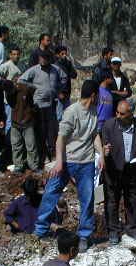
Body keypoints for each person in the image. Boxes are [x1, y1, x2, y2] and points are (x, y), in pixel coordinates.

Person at [34, 80, 104, 253]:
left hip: (86, 163)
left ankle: (84, 236)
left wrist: (101, 154)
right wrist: (58, 162)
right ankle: (41, 230)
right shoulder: (71, 112)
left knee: (87, 200)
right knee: (51, 194)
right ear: (93, 95)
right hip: (66, 161)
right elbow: (61, 138)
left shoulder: (94, 112)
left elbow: (94, 134)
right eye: (98, 96)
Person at [101, 100, 136, 244]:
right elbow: (104, 145)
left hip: (132, 169)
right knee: (112, 200)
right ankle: (114, 232)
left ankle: (132, 229)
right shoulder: (109, 125)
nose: (118, 115)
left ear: (131, 113)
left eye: (122, 113)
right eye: (117, 112)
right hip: (113, 169)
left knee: (132, 199)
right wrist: (105, 151)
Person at [19, 50, 67, 164]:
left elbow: (64, 77)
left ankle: (52, 156)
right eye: (41, 58)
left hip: (51, 105)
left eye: (45, 58)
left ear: (49, 59)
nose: (42, 60)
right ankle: (41, 157)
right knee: (40, 132)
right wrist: (33, 87)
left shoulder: (55, 69)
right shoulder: (34, 70)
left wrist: (59, 89)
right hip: (38, 106)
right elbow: (21, 80)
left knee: (51, 131)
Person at [6, 82, 38, 173]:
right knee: (16, 146)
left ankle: (33, 166)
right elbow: (12, 105)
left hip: (27, 122)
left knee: (31, 145)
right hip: (15, 123)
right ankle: (18, 166)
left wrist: (30, 112)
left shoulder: (25, 89)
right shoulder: (7, 93)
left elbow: (34, 95)